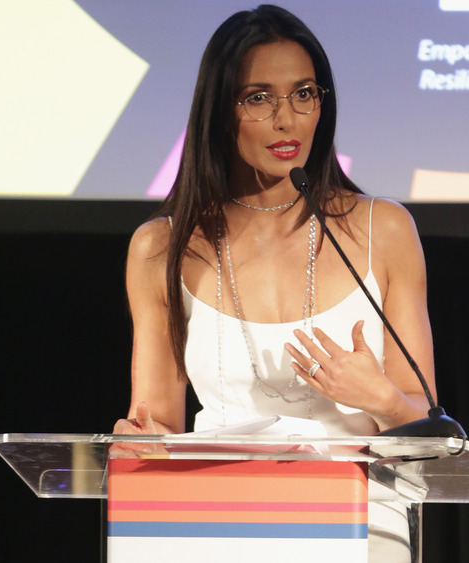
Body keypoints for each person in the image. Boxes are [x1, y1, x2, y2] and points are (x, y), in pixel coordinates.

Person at [113, 5, 436, 561]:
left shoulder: (384, 229)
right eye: (258, 97)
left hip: (359, 527)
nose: (287, 119)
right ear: (219, 110)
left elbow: (431, 427)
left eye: (304, 93)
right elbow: (156, 426)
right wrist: (135, 443)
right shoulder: (161, 248)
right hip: (217, 522)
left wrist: (380, 398)